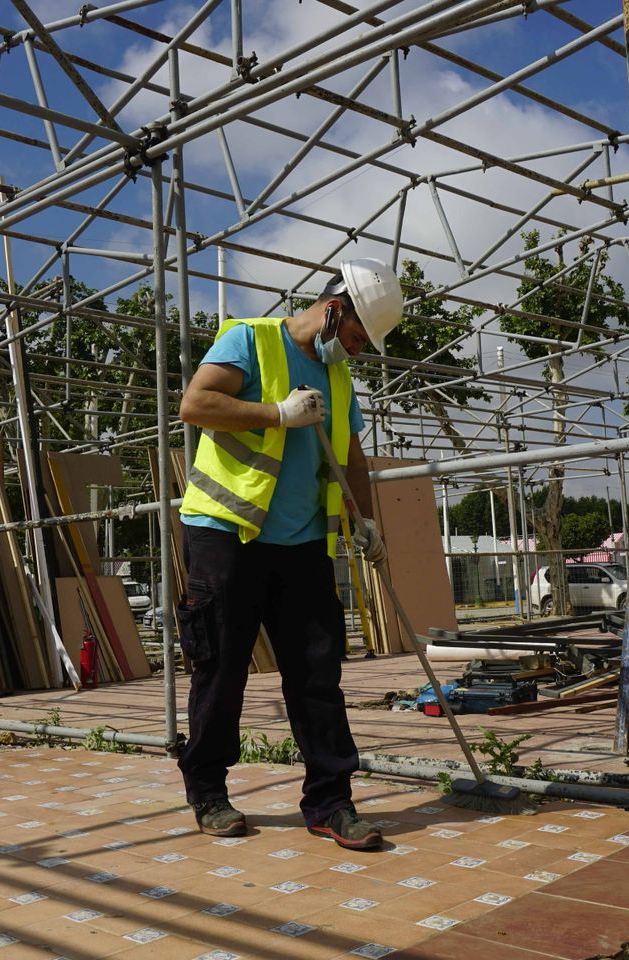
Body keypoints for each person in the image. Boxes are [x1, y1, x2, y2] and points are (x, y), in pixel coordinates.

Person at [175, 257, 403, 851]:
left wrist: (364, 517)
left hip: (302, 543)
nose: (355, 352)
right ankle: (208, 791)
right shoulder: (248, 339)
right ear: (333, 310)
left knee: (317, 675)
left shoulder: (340, 377)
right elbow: (195, 404)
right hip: (227, 532)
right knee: (222, 668)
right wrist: (276, 414)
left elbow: (350, 454)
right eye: (355, 338)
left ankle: (331, 803)